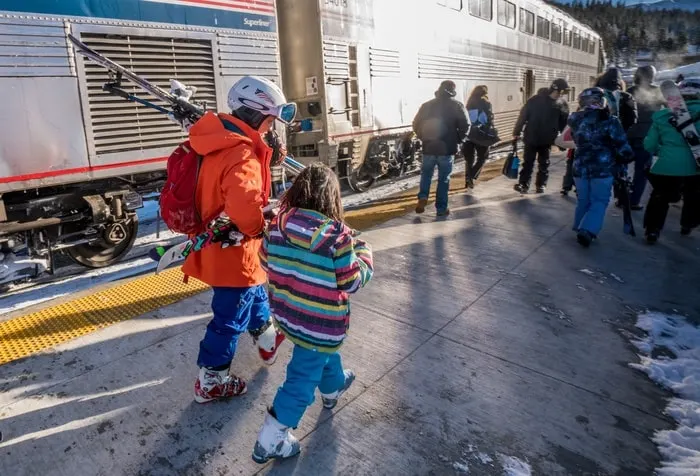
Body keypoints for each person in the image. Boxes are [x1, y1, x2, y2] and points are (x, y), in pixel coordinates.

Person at [183, 75, 297, 403]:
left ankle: (266, 340)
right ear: (256, 114)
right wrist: (263, 228)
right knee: (230, 317)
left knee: (254, 291)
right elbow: (245, 208)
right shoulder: (242, 153)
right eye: (268, 121)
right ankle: (211, 381)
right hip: (235, 250)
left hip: (219, 242)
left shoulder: (219, 138)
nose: (269, 129)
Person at [252, 164, 374, 463]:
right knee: (303, 375)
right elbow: (352, 281)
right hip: (320, 323)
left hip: (290, 316)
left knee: (321, 353)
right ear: (332, 198)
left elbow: (264, 261)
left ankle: (332, 387)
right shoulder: (337, 236)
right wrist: (364, 252)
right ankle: (271, 438)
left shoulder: (277, 226)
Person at [569, 87, 634, 247]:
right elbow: (622, 144)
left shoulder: (574, 119)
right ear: (602, 102)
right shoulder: (610, 121)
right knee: (599, 200)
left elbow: (576, 139)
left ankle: (580, 226)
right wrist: (627, 156)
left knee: (583, 199)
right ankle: (587, 230)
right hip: (602, 168)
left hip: (580, 167)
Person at [642, 79, 700, 243]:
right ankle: (687, 225)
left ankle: (652, 230)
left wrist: (661, 148)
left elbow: (649, 144)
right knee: (693, 195)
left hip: (667, 165)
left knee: (660, 197)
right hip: (696, 165)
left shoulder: (663, 117)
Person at [412, 80, 471, 216]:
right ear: (453, 91)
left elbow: (416, 124)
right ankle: (441, 208)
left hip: (428, 148)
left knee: (426, 174)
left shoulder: (426, 105)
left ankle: (422, 197)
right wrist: (459, 140)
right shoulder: (457, 105)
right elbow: (466, 125)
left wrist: (424, 137)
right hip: (447, 149)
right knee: (444, 179)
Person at [512, 78, 570, 193]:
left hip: (547, 139)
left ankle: (541, 185)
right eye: (560, 92)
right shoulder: (535, 100)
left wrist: (564, 140)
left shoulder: (562, 104)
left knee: (544, 163)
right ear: (554, 89)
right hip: (531, 137)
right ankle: (523, 184)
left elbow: (564, 124)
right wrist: (516, 132)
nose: (561, 95)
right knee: (528, 162)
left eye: (563, 93)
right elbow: (523, 116)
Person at [626, 66, 665, 209]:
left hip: (628, 135)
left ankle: (621, 197)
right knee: (641, 172)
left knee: (621, 168)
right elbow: (672, 110)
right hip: (648, 137)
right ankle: (634, 201)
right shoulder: (658, 91)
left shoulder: (629, 91)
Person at [463, 85, 495, 189]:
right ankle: (472, 175)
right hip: (481, 134)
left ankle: (468, 180)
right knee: (483, 157)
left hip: (469, 133)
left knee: (469, 158)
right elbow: (489, 118)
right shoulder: (486, 103)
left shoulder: (468, 103)